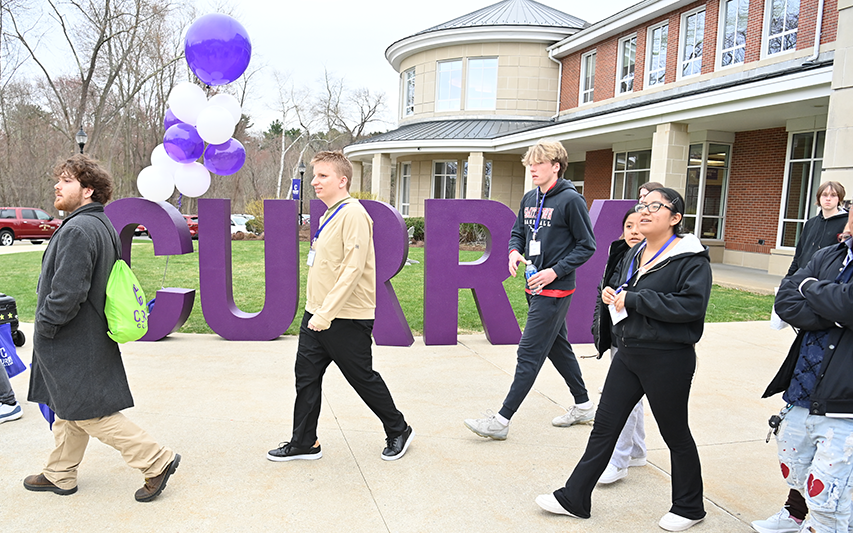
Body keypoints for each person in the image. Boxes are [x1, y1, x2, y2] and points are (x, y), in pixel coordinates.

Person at [536, 188, 712, 532]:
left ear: (675, 218)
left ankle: (690, 507)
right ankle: (575, 497)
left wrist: (635, 299)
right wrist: (613, 295)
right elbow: (625, 289)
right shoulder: (635, 252)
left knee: (675, 433)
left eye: (655, 207)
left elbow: (691, 307)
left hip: (667, 357)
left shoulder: (690, 257)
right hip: (629, 351)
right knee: (604, 427)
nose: (644, 212)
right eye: (642, 206)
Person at [25, 154, 179, 501]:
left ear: (88, 189)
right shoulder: (100, 224)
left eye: (66, 180)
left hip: (72, 339)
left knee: (91, 413)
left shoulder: (80, 229)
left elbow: (68, 293)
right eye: (59, 179)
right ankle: (60, 473)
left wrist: (45, 328)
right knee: (67, 408)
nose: (57, 185)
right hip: (85, 336)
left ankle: (156, 460)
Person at [267, 151, 413, 462]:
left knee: (362, 378)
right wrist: (315, 312)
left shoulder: (354, 214)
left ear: (342, 180)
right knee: (305, 379)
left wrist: (325, 314)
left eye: (323, 176)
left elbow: (353, 269)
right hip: (316, 314)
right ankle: (304, 441)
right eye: (315, 175)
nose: (315, 182)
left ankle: (398, 428)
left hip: (344, 318)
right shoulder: (330, 213)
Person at [464, 140, 596, 440]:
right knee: (558, 347)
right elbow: (518, 232)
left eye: (538, 163)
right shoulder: (530, 198)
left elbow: (587, 245)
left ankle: (501, 421)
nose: (532, 168)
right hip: (533, 285)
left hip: (556, 288)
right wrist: (513, 252)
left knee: (529, 352)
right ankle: (584, 405)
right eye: (530, 163)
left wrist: (554, 271)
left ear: (556, 166)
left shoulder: (570, 200)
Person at [753, 184, 848, 533]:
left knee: (831, 486)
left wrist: (814, 292)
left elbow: (849, 303)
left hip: (842, 393)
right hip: (805, 381)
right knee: (796, 460)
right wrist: (830, 308)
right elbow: (788, 297)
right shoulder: (831, 255)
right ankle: (794, 514)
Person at [590, 208, 647, 484]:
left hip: (639, 338)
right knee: (633, 398)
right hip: (618, 333)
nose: (634, 231)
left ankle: (619, 460)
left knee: (626, 398)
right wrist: (607, 293)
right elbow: (609, 286)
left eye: (640, 225)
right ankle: (636, 451)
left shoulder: (655, 257)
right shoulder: (619, 251)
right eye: (628, 225)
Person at [786, 181, 847, 277]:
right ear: (819, 197)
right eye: (824, 195)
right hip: (804, 277)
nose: (828, 199)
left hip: (828, 282)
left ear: (839, 198)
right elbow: (799, 255)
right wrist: (789, 278)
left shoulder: (847, 224)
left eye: (833, 195)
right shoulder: (810, 224)